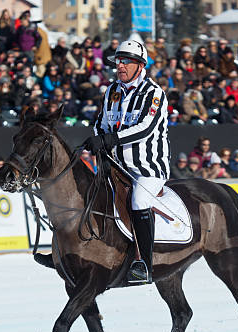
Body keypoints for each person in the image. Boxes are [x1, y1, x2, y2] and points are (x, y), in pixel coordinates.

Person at [83, 40, 170, 285]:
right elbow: (101, 122)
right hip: (115, 166)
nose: (120, 66)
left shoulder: (154, 93)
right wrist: (99, 138)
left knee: (139, 200)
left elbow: (145, 129)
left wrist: (112, 138)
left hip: (147, 168)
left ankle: (145, 264)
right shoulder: (112, 91)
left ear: (140, 65)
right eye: (118, 61)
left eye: (126, 61)